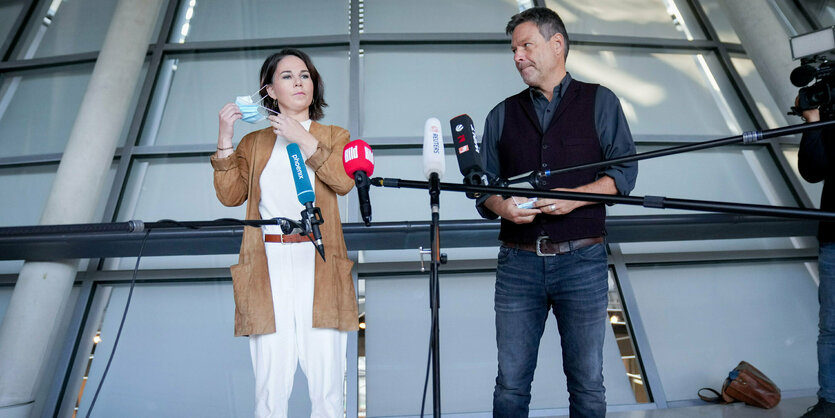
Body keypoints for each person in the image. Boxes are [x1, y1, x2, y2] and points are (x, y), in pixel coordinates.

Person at [476, 7, 638, 418]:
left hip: (583, 261)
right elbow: (482, 188)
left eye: (526, 46)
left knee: (587, 384)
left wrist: (575, 197)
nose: (518, 56)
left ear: (557, 44)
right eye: (514, 50)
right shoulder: (501, 114)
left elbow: (623, 173)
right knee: (510, 383)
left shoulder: (601, 101)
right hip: (517, 263)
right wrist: (502, 207)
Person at [211, 48, 358, 418]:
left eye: (305, 75)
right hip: (268, 265)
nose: (299, 82)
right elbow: (230, 196)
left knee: (327, 391)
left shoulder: (334, 135)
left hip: (319, 261)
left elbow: (343, 182)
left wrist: (301, 137)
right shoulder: (254, 143)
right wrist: (226, 137)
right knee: (269, 391)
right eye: (288, 76)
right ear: (270, 91)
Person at [798, 104, 835, 418]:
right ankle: (830, 402)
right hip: (833, 237)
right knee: (831, 327)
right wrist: (813, 122)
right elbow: (813, 170)